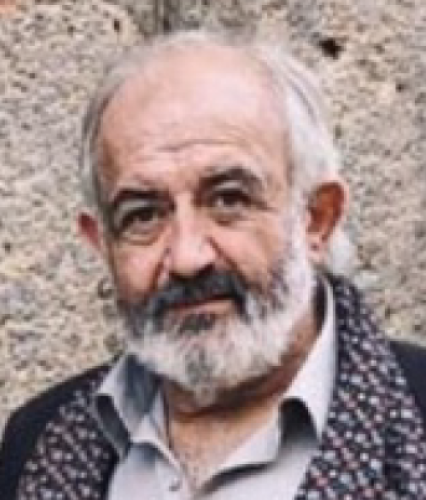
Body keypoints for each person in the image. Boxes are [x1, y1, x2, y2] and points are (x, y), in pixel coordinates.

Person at [1, 30, 426, 500]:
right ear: (102, 244)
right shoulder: (36, 446)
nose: (188, 257)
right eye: (143, 215)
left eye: (228, 200)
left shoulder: (413, 425)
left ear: (317, 218)